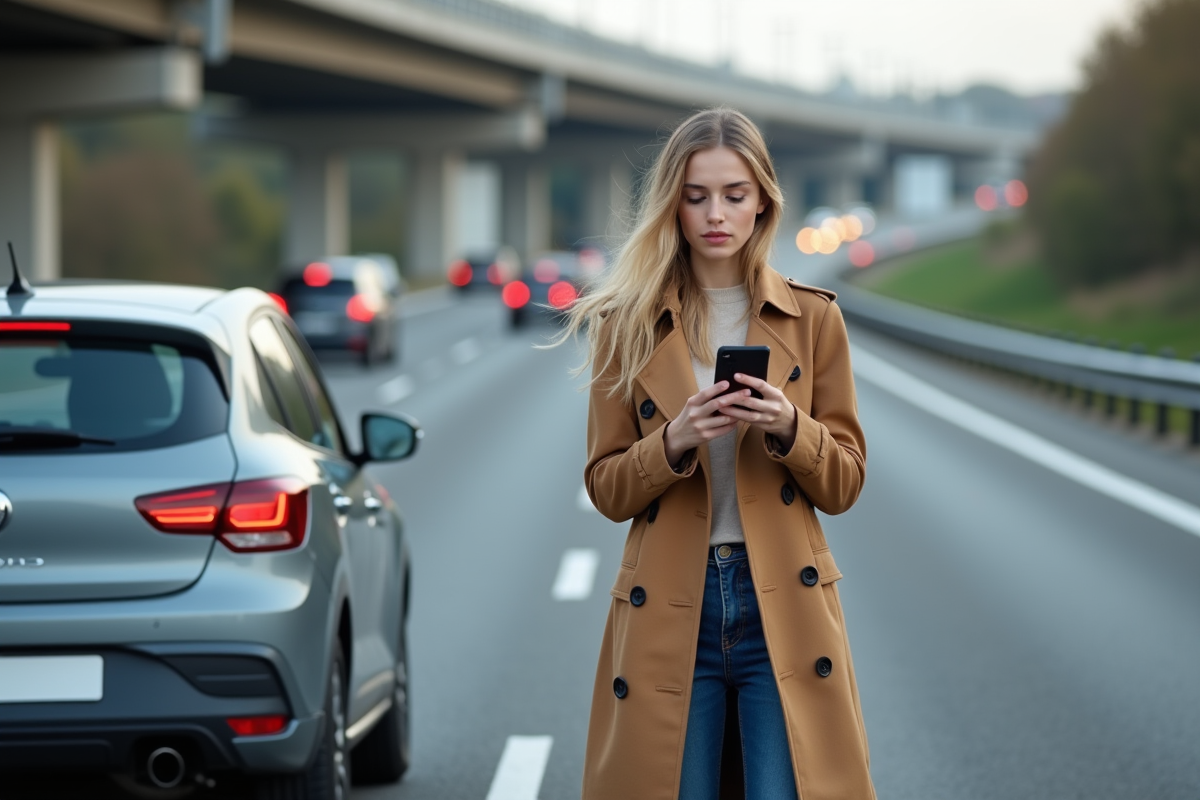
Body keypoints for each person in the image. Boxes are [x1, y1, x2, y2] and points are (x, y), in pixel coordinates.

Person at [555, 108, 875, 799]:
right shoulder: (625, 325)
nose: (715, 214)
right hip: (674, 605)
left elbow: (845, 483)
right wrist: (674, 440)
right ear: (673, 204)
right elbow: (606, 490)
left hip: (781, 604)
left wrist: (789, 426)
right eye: (696, 196)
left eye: (734, 194)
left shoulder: (814, 318)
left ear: (763, 201)